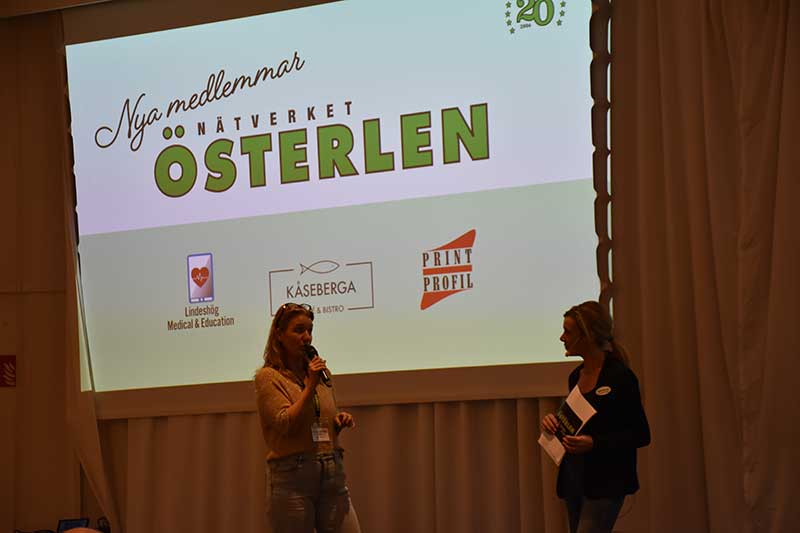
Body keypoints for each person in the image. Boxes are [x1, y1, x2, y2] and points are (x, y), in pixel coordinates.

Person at [541, 301, 650, 533]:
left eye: (568, 332)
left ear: (588, 336)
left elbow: (640, 434)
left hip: (606, 482)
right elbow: (577, 425)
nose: (562, 338)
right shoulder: (575, 377)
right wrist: (554, 424)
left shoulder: (620, 377)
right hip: (575, 479)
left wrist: (595, 443)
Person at [255, 302, 361, 533]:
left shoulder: (320, 374)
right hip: (293, 476)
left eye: (310, 330)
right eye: (299, 330)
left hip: (331, 470)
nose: (307, 337)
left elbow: (316, 419)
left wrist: (337, 422)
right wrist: (310, 385)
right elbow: (285, 423)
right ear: (279, 335)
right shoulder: (268, 377)